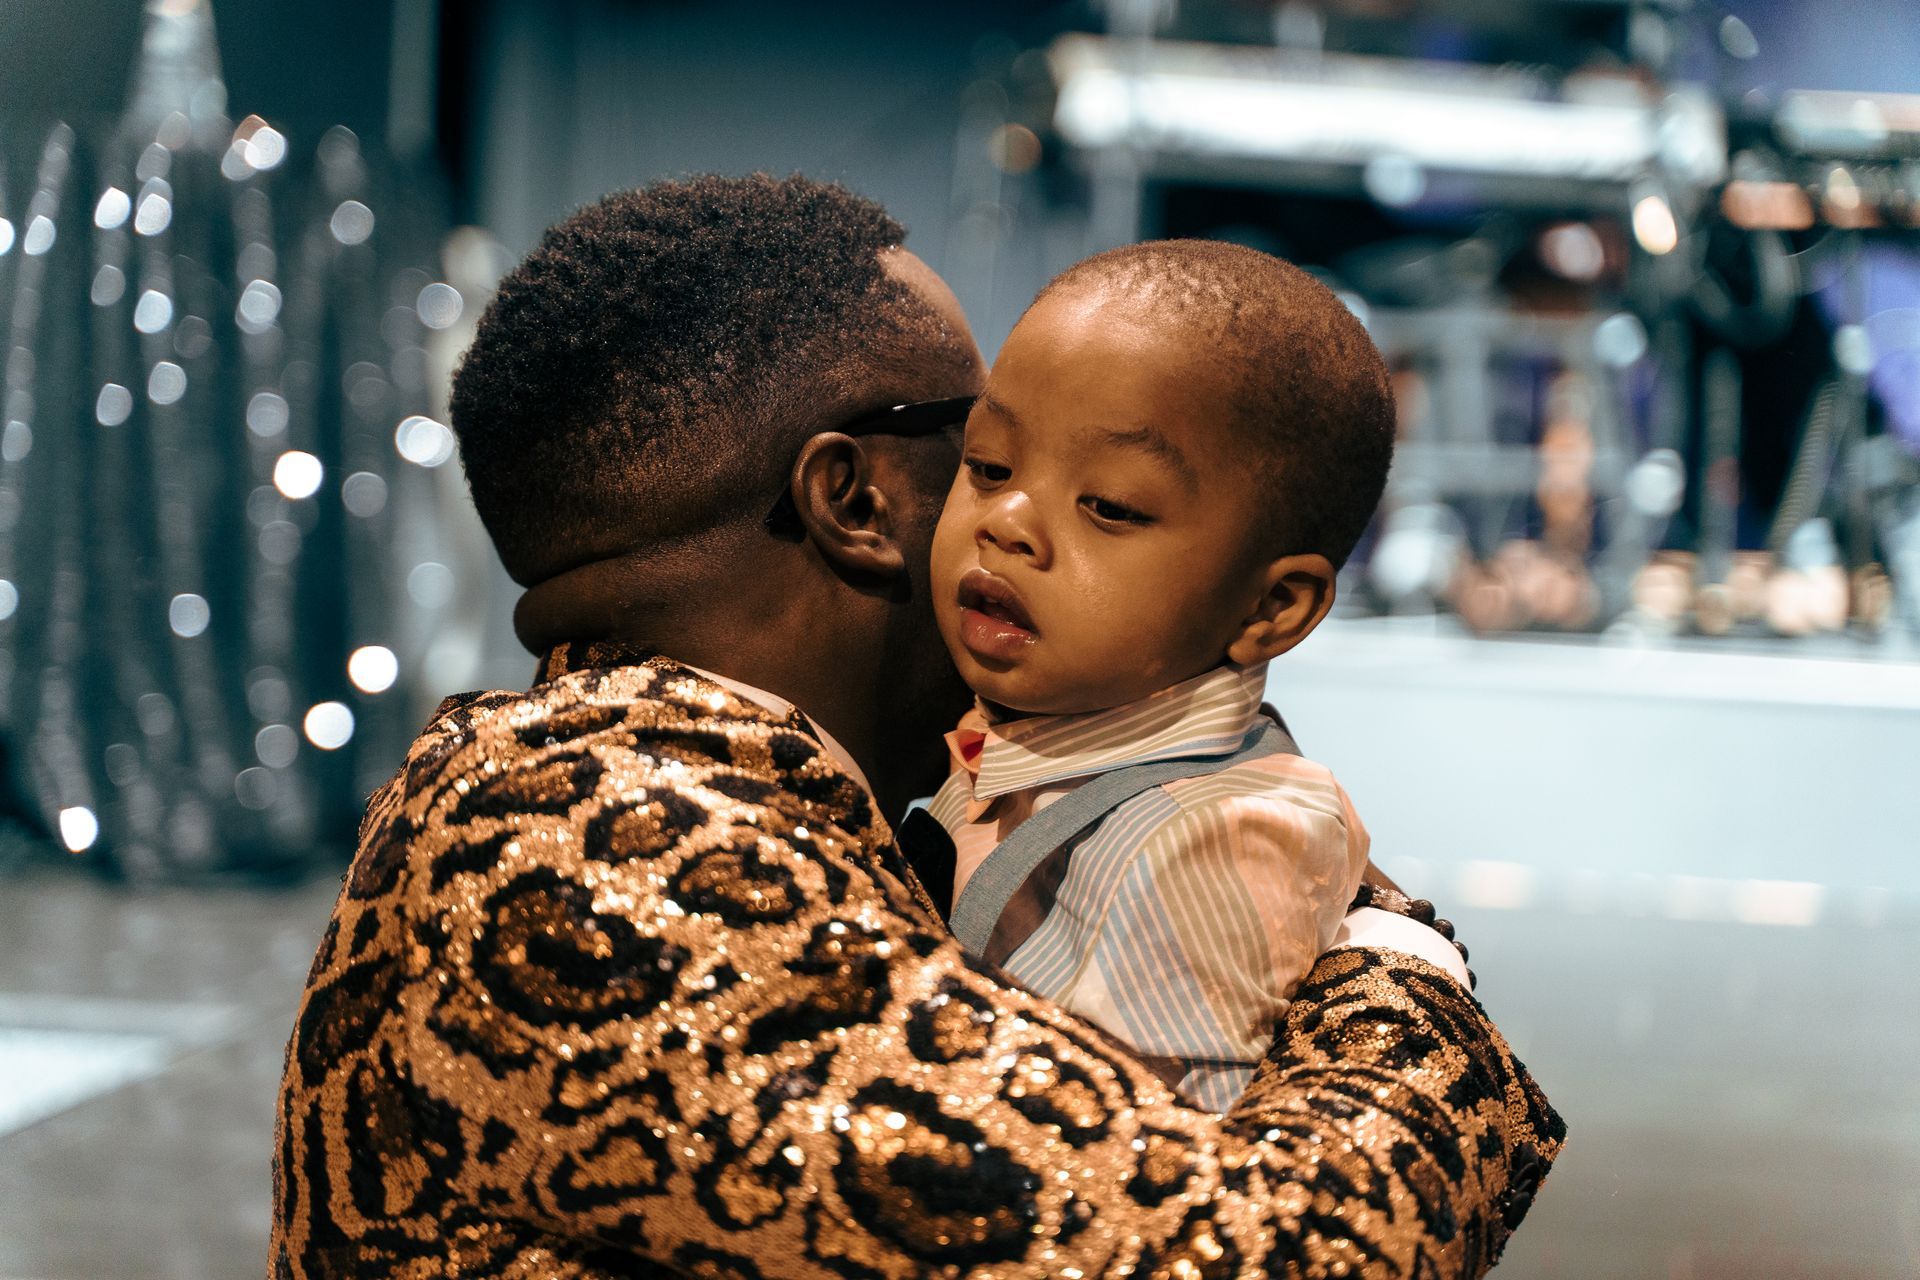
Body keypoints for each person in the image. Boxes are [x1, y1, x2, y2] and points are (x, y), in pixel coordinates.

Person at [270, 175, 1562, 1280]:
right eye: (990, 452)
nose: (1015, 517)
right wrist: (1398, 972)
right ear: (861, 500)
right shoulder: (602, 848)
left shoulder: (689, 785)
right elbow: (1272, 1256)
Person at [925, 240, 1389, 1110]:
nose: (1009, 522)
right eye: (989, 466)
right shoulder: (1034, 722)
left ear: (1272, 608)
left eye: (1110, 507)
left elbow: (1140, 1172)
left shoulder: (1217, 841)